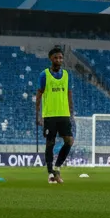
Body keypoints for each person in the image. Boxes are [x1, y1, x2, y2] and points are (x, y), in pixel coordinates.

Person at [35, 46, 75, 184]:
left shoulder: (66, 75)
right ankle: (50, 173)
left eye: (61, 57)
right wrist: (38, 115)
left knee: (69, 141)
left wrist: (71, 112)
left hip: (64, 115)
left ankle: (57, 168)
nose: (59, 60)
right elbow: (39, 94)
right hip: (50, 115)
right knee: (50, 143)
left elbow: (69, 94)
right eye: (56, 57)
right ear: (50, 59)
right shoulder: (44, 75)